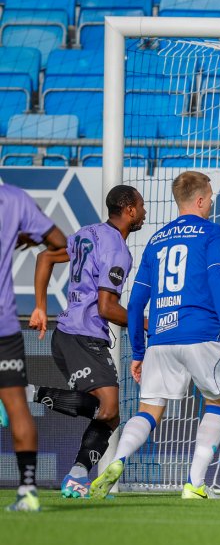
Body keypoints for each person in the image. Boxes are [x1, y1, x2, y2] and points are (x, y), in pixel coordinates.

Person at [88, 171, 220, 500]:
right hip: (200, 333)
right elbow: (218, 282)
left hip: (160, 338)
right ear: (199, 200)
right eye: (210, 196)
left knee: (148, 411)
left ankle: (117, 461)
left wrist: (139, 352)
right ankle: (195, 484)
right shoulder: (213, 233)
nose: (212, 201)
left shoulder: (156, 240)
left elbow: (135, 306)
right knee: (217, 403)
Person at [26, 185, 146, 498]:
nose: (144, 212)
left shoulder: (85, 234)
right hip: (83, 337)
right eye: (142, 207)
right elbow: (107, 308)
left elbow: (44, 257)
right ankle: (24, 393)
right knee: (108, 410)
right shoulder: (118, 250)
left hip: (66, 336)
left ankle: (77, 475)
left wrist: (40, 305)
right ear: (130, 210)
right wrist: (147, 324)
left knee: (109, 412)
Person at [0, 184, 67, 511]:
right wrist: (20, 238)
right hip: (4, 326)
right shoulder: (15, 200)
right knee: (17, 408)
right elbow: (60, 243)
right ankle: (28, 490)